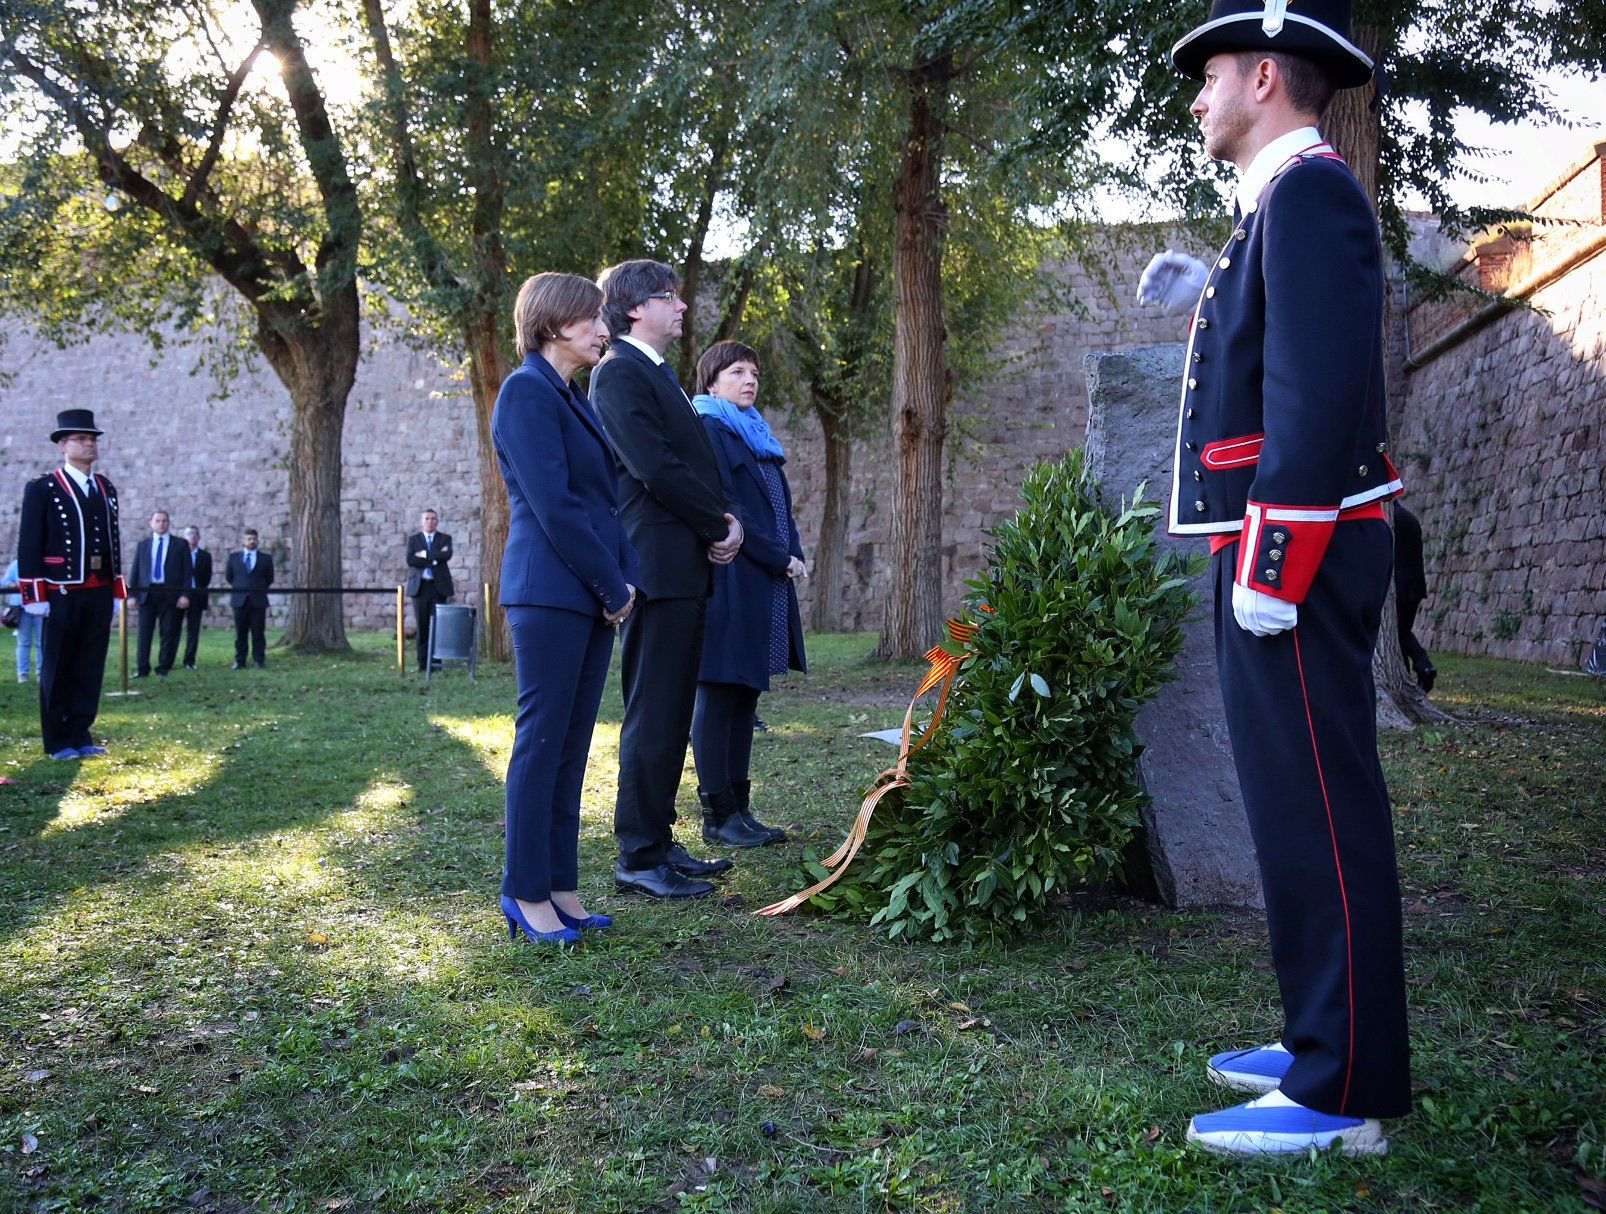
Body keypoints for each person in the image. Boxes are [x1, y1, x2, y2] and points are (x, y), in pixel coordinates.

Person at [1139, 0, 1410, 1158]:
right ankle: (1321, 1035)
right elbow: (1282, 346)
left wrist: (1278, 554)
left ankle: (1341, 1083)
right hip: (1268, 543)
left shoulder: (1311, 197)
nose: (1194, 99)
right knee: (1290, 807)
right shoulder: (1281, 209)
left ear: (1261, 77)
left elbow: (1316, 392)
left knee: (1321, 812)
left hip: (1287, 548)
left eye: (1206, 78)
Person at [491, 272, 639, 945]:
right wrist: (614, 587)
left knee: (571, 749)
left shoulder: (569, 396)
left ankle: (560, 887)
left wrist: (617, 583)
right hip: (549, 591)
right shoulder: (525, 392)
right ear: (552, 323)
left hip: (584, 593)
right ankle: (524, 892)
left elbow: (602, 505)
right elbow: (555, 507)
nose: (603, 330)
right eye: (592, 319)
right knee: (542, 744)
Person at [591, 259, 745, 900]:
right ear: (633, 309)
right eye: (667, 297)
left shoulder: (655, 373)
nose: (680, 307)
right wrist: (716, 524)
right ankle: (638, 854)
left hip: (681, 563)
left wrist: (720, 520)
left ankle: (659, 837)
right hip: (657, 566)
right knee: (654, 713)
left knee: (673, 709)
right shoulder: (618, 372)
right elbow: (653, 466)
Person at [689, 341, 806, 848]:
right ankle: (718, 815)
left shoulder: (756, 435)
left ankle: (740, 809)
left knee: (745, 695)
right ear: (711, 381)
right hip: (730, 581)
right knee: (719, 694)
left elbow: (777, 506)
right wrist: (778, 556)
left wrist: (792, 551)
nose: (749, 380)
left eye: (754, 372)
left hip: (762, 583)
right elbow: (731, 508)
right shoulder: (710, 430)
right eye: (737, 371)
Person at [15, 409, 126, 759]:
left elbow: (113, 540)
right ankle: (57, 740)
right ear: (62, 445)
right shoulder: (43, 489)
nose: (89, 444)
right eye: (80, 438)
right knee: (58, 665)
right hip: (60, 592)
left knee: (89, 665)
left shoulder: (105, 487)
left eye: (92, 439)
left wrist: (116, 588)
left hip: (97, 590)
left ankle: (80, 733)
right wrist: (34, 594)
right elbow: (29, 543)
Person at [129, 510, 193, 679]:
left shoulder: (180, 544)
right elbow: (136, 571)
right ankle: (142, 669)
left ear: (168, 523)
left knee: (169, 632)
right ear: (151, 523)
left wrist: (185, 595)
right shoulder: (143, 545)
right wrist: (132, 595)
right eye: (158, 520)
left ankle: (163, 667)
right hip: (147, 593)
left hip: (170, 593)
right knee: (144, 633)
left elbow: (187, 573)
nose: (161, 523)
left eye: (164, 521)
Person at [1392, 503, 1435, 693]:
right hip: (1414, 586)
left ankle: (1415, 669)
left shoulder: (1391, 520)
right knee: (1403, 631)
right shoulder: (1410, 518)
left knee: (1398, 633)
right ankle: (1423, 666)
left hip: (1398, 586)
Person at [406, 509, 455, 673]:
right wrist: (434, 558)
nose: (430, 521)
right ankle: (422, 664)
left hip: (438, 587)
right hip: (420, 588)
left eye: (433, 519)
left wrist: (424, 555)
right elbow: (411, 559)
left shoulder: (445, 539)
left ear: (437, 521)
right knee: (423, 625)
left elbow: (446, 555)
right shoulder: (414, 540)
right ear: (422, 521)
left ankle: (436, 663)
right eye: (427, 518)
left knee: (438, 626)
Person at [225, 529, 274, 669]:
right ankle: (240, 660)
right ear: (243, 541)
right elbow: (229, 577)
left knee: (258, 632)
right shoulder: (234, 558)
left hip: (258, 600)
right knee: (240, 633)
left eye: (254, 539)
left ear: (257, 540)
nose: (251, 541)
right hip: (239, 601)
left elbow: (269, 578)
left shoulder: (265, 558)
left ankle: (259, 660)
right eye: (248, 539)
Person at [4, 557, 44, 684]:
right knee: (23, 642)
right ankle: (22, 674)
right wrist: (11, 584)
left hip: (40, 606)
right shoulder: (16, 564)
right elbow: (4, 581)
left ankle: (41, 673)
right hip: (22, 607)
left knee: (41, 642)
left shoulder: (42, 563)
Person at [180, 526, 213, 670]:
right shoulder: (178, 555)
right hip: (179, 596)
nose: (192, 537)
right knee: (172, 629)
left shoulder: (205, 556)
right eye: (188, 534)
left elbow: (207, 577)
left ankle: (189, 660)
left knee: (193, 630)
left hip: (197, 596)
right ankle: (167, 659)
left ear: (199, 537)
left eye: (194, 534)